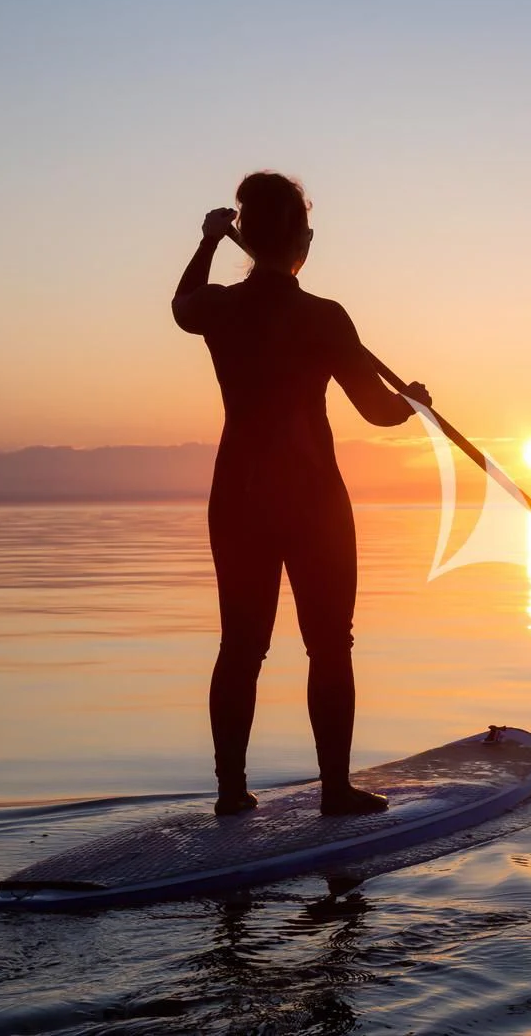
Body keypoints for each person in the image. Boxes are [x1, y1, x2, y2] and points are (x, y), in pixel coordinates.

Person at [171, 172, 430, 816]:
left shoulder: (221, 309)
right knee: (329, 644)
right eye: (309, 230)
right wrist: (414, 404)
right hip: (312, 499)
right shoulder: (323, 317)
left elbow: (183, 304)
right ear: (298, 241)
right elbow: (375, 410)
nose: (312, 238)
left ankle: (231, 793)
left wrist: (205, 241)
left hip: (238, 495)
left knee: (240, 646)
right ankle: (335, 789)